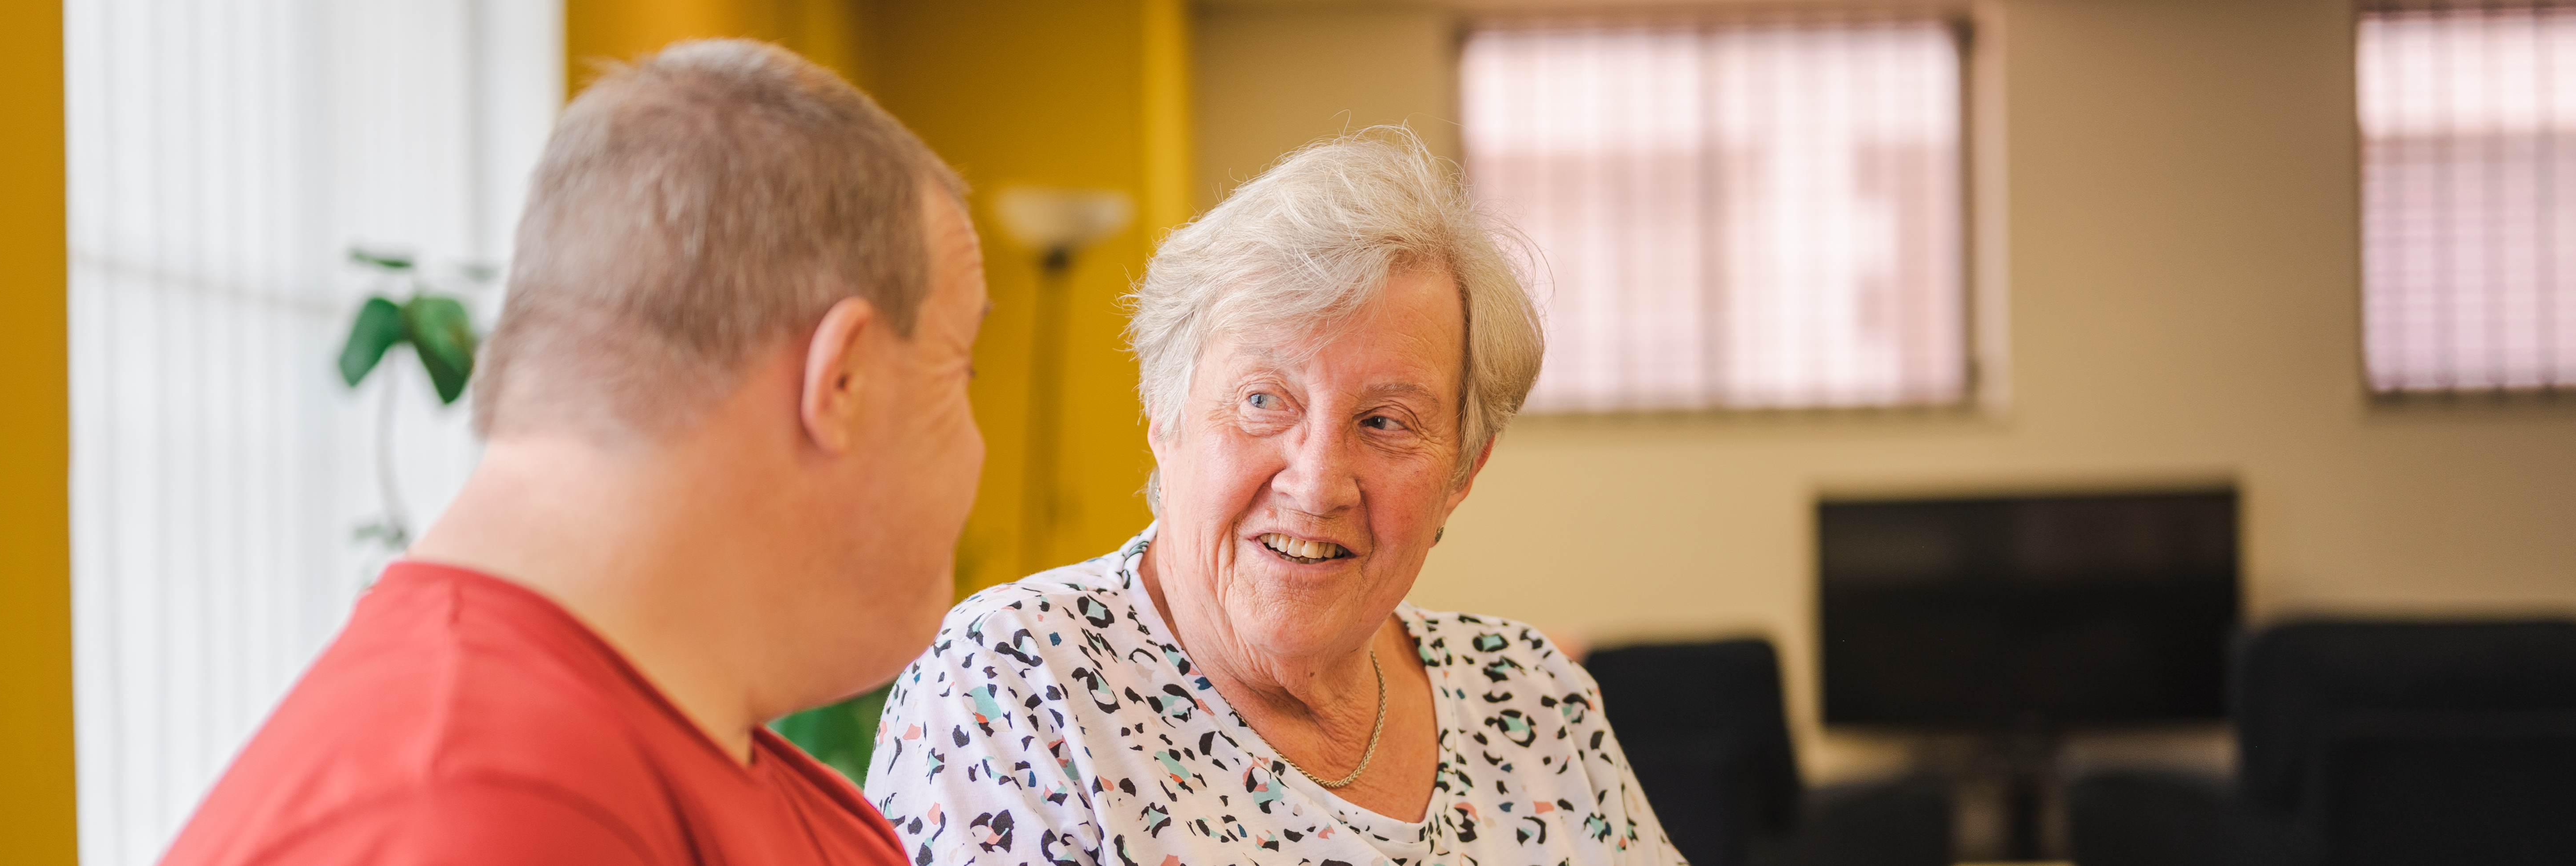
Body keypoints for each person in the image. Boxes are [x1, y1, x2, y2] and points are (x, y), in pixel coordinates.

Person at [164, 39, 985, 865]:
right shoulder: (480, 812)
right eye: (960, 371)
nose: (977, 453)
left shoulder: (751, 788)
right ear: (841, 380)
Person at [865, 130, 1685, 866]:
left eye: (1385, 420)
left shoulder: (1531, 695)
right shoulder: (1010, 681)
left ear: (1462, 474)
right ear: (1164, 414)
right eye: (1263, 401)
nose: (1318, 481)